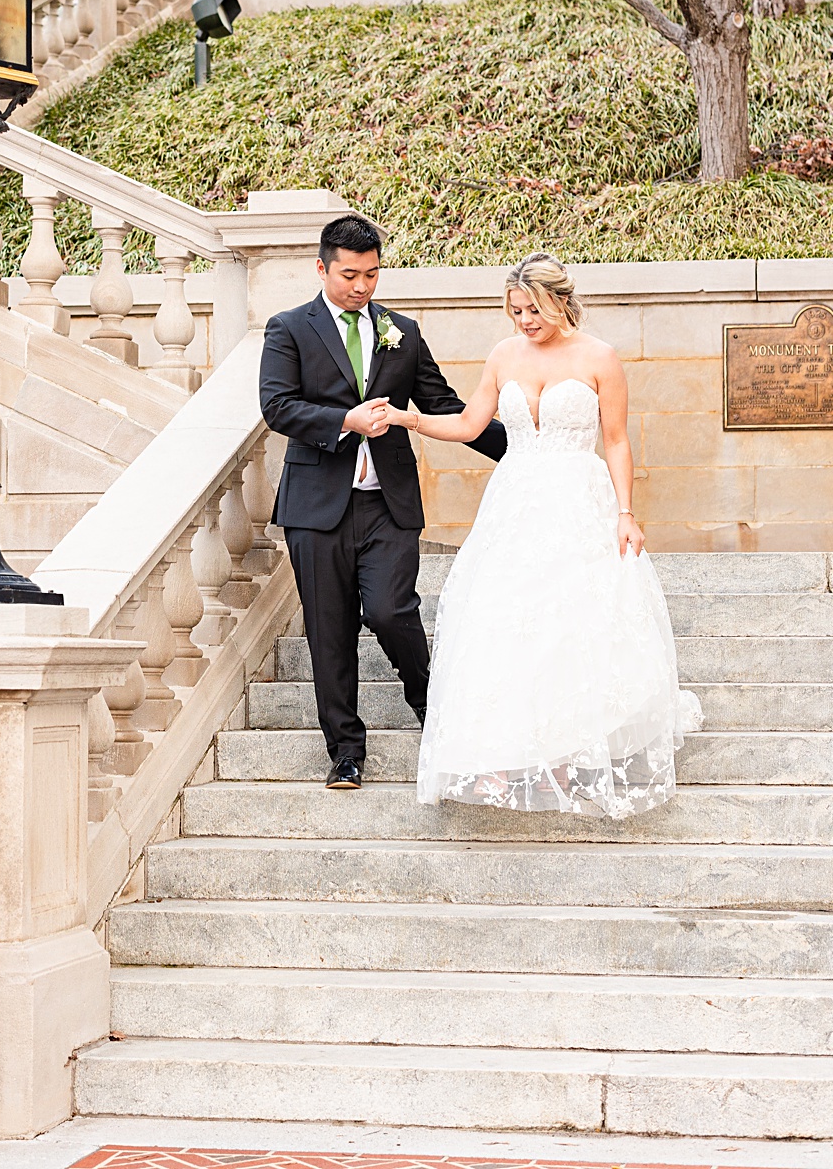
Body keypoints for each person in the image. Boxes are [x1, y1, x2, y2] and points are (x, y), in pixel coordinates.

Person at [380, 251, 702, 819]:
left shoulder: (600, 357)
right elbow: (468, 424)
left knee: (567, 623)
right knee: (503, 620)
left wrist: (626, 512)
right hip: (516, 500)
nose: (524, 320)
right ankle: (502, 758)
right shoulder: (504, 355)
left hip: (579, 498)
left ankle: (560, 754)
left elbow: (618, 441)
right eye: (515, 311)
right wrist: (409, 419)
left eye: (532, 309)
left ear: (559, 300)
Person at [259, 214, 507, 789]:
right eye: (350, 274)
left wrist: (520, 450)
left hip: (387, 504)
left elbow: (445, 405)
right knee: (329, 629)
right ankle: (345, 750)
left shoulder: (404, 331)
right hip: (317, 506)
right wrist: (344, 419)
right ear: (322, 268)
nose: (363, 286)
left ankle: (433, 711)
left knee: (393, 611)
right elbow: (277, 406)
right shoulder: (289, 328)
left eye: (372, 274)